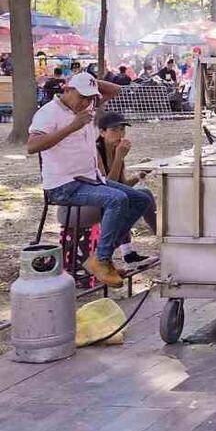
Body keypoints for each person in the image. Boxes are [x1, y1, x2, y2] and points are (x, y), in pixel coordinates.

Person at [27, 72, 152, 288]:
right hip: (63, 184)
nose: (86, 102)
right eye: (82, 97)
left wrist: (85, 79)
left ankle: (99, 258)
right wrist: (71, 127)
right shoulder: (48, 113)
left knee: (142, 199)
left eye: (90, 98)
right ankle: (102, 260)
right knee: (117, 199)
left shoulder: (87, 109)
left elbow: (114, 90)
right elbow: (32, 146)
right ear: (66, 91)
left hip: (90, 179)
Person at [95, 112, 157, 270]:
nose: (120, 134)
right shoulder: (96, 151)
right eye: (114, 130)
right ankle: (128, 252)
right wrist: (119, 158)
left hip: (110, 193)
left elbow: (122, 184)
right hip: (93, 197)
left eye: (122, 130)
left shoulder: (116, 150)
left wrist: (139, 175)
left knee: (144, 193)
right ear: (102, 132)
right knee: (126, 198)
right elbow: (107, 186)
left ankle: (136, 249)